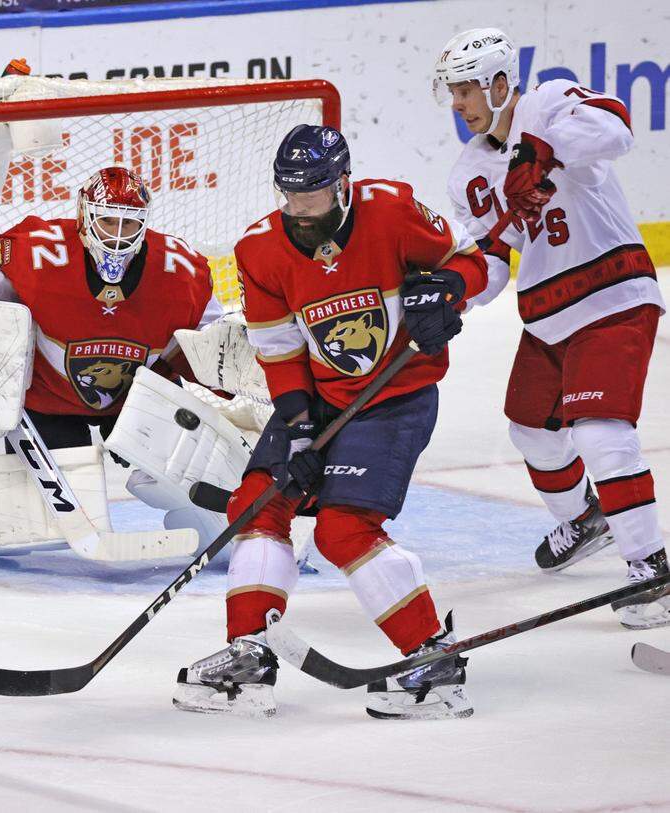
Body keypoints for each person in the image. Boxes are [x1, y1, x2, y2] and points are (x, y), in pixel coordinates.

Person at [172, 124, 489, 720]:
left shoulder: (392, 210)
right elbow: (280, 348)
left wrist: (448, 289)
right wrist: (295, 425)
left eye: (312, 195)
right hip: (318, 399)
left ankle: (433, 662)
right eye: (289, 195)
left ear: (342, 183)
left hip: (395, 397)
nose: (300, 209)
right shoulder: (260, 249)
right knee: (256, 502)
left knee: (341, 530)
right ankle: (250, 655)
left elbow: (470, 263)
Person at [0, 165, 238, 562]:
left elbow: (210, 345)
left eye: (128, 225)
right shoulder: (38, 248)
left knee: (176, 474)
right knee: (45, 512)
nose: (117, 236)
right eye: (106, 221)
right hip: (48, 400)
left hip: (140, 399)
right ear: (84, 216)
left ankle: (228, 533)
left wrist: (228, 374)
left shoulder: (181, 269)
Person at [435, 28, 667, 628]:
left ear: (500, 84)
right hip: (548, 313)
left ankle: (653, 569)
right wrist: (454, 291)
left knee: (599, 432)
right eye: (453, 92)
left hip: (612, 295)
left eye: (464, 90)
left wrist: (540, 147)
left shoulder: (549, 101)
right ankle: (587, 519)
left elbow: (616, 128)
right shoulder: (467, 174)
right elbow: (492, 259)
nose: (456, 104)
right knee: (531, 432)